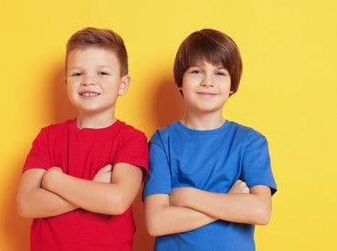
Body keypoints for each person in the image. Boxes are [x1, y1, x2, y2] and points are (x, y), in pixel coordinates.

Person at [142, 29, 277, 251]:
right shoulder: (162, 141)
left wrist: (186, 196)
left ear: (232, 85)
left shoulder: (250, 142)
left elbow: (260, 211)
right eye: (197, 71)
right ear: (180, 82)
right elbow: (157, 223)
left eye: (219, 73)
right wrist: (230, 202)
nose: (208, 82)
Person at [16, 27, 148, 251]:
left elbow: (115, 201)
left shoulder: (132, 139)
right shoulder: (48, 137)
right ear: (66, 83)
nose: (88, 81)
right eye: (78, 74)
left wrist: (55, 182)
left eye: (102, 73)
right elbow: (26, 204)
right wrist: (94, 189)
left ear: (123, 84)